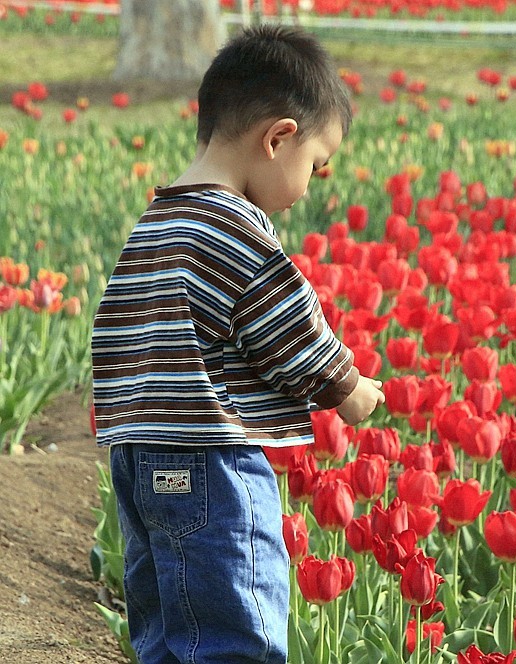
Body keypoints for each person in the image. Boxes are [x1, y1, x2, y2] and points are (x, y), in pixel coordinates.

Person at [91, 24, 384, 664]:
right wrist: (348, 387)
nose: (313, 184)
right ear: (277, 138)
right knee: (232, 630)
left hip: (137, 459)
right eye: (315, 164)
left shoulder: (158, 218)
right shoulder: (237, 226)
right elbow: (290, 330)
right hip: (210, 463)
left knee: (168, 627)